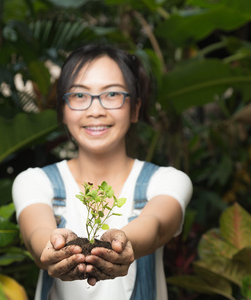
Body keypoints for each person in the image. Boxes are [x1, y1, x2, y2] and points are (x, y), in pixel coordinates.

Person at [12, 44, 193, 300]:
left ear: (136, 109)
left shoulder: (168, 181)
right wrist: (53, 247)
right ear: (63, 111)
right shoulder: (34, 182)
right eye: (79, 96)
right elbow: (36, 236)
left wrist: (122, 242)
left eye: (112, 95)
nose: (95, 110)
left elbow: (155, 226)